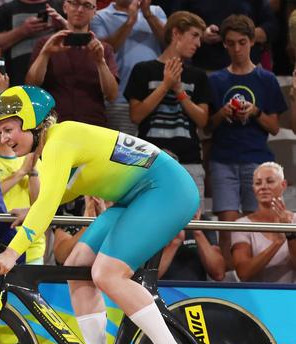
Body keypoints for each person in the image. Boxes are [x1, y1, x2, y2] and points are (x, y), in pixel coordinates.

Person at [0, 85, 199, 344]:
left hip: (167, 191)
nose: (4, 138)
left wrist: (12, 252)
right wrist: (31, 210)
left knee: (106, 274)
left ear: (32, 121)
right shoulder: (50, 153)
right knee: (77, 267)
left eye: (8, 129)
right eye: (0, 131)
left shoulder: (61, 140)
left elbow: (48, 205)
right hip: (137, 197)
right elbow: (54, 196)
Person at [207, 14, 287, 268]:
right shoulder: (216, 80)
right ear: (224, 44)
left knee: (261, 221)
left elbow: (274, 127)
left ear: (252, 42)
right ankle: (229, 278)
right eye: (231, 43)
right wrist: (223, 113)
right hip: (224, 157)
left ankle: (253, 276)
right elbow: (207, 125)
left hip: (256, 158)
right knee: (228, 223)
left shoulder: (266, 79)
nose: (237, 49)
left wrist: (254, 112)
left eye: (242, 42)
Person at [125, 11, 210, 199]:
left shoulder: (198, 75)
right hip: (150, 160)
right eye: (194, 36)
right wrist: (165, 85)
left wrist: (179, 90)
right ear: (176, 33)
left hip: (190, 162)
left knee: (192, 225)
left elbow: (202, 120)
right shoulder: (143, 70)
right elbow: (136, 115)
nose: (198, 43)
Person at [25, 0, 118, 126]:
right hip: (54, 125)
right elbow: (31, 86)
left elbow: (112, 95)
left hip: (92, 125)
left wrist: (100, 63)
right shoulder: (46, 44)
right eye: (75, 3)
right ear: (65, 7)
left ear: (94, 12)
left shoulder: (103, 49)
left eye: (86, 5)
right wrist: (45, 53)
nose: (79, 9)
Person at [91, 0, 166, 135]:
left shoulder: (156, 11)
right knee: (122, 152)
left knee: (155, 152)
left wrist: (147, 14)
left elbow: (169, 42)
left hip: (157, 96)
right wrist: (130, 21)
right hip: (120, 98)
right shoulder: (100, 17)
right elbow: (106, 50)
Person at [231, 162, 296, 283]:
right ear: (253, 188)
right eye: (258, 183)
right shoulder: (241, 225)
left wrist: (290, 234)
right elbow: (243, 273)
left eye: (270, 181)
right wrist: (278, 242)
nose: (263, 187)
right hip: (256, 298)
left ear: (283, 184)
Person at [0, 0, 66, 86]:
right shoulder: (5, 10)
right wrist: (22, 31)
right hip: (17, 77)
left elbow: (78, 37)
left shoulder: (62, 7)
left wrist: (63, 26)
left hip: (57, 76)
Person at [158, 210, 226, 281]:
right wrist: (175, 242)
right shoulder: (159, 222)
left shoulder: (204, 221)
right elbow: (149, 277)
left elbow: (218, 274)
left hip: (196, 289)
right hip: (162, 288)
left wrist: (197, 232)